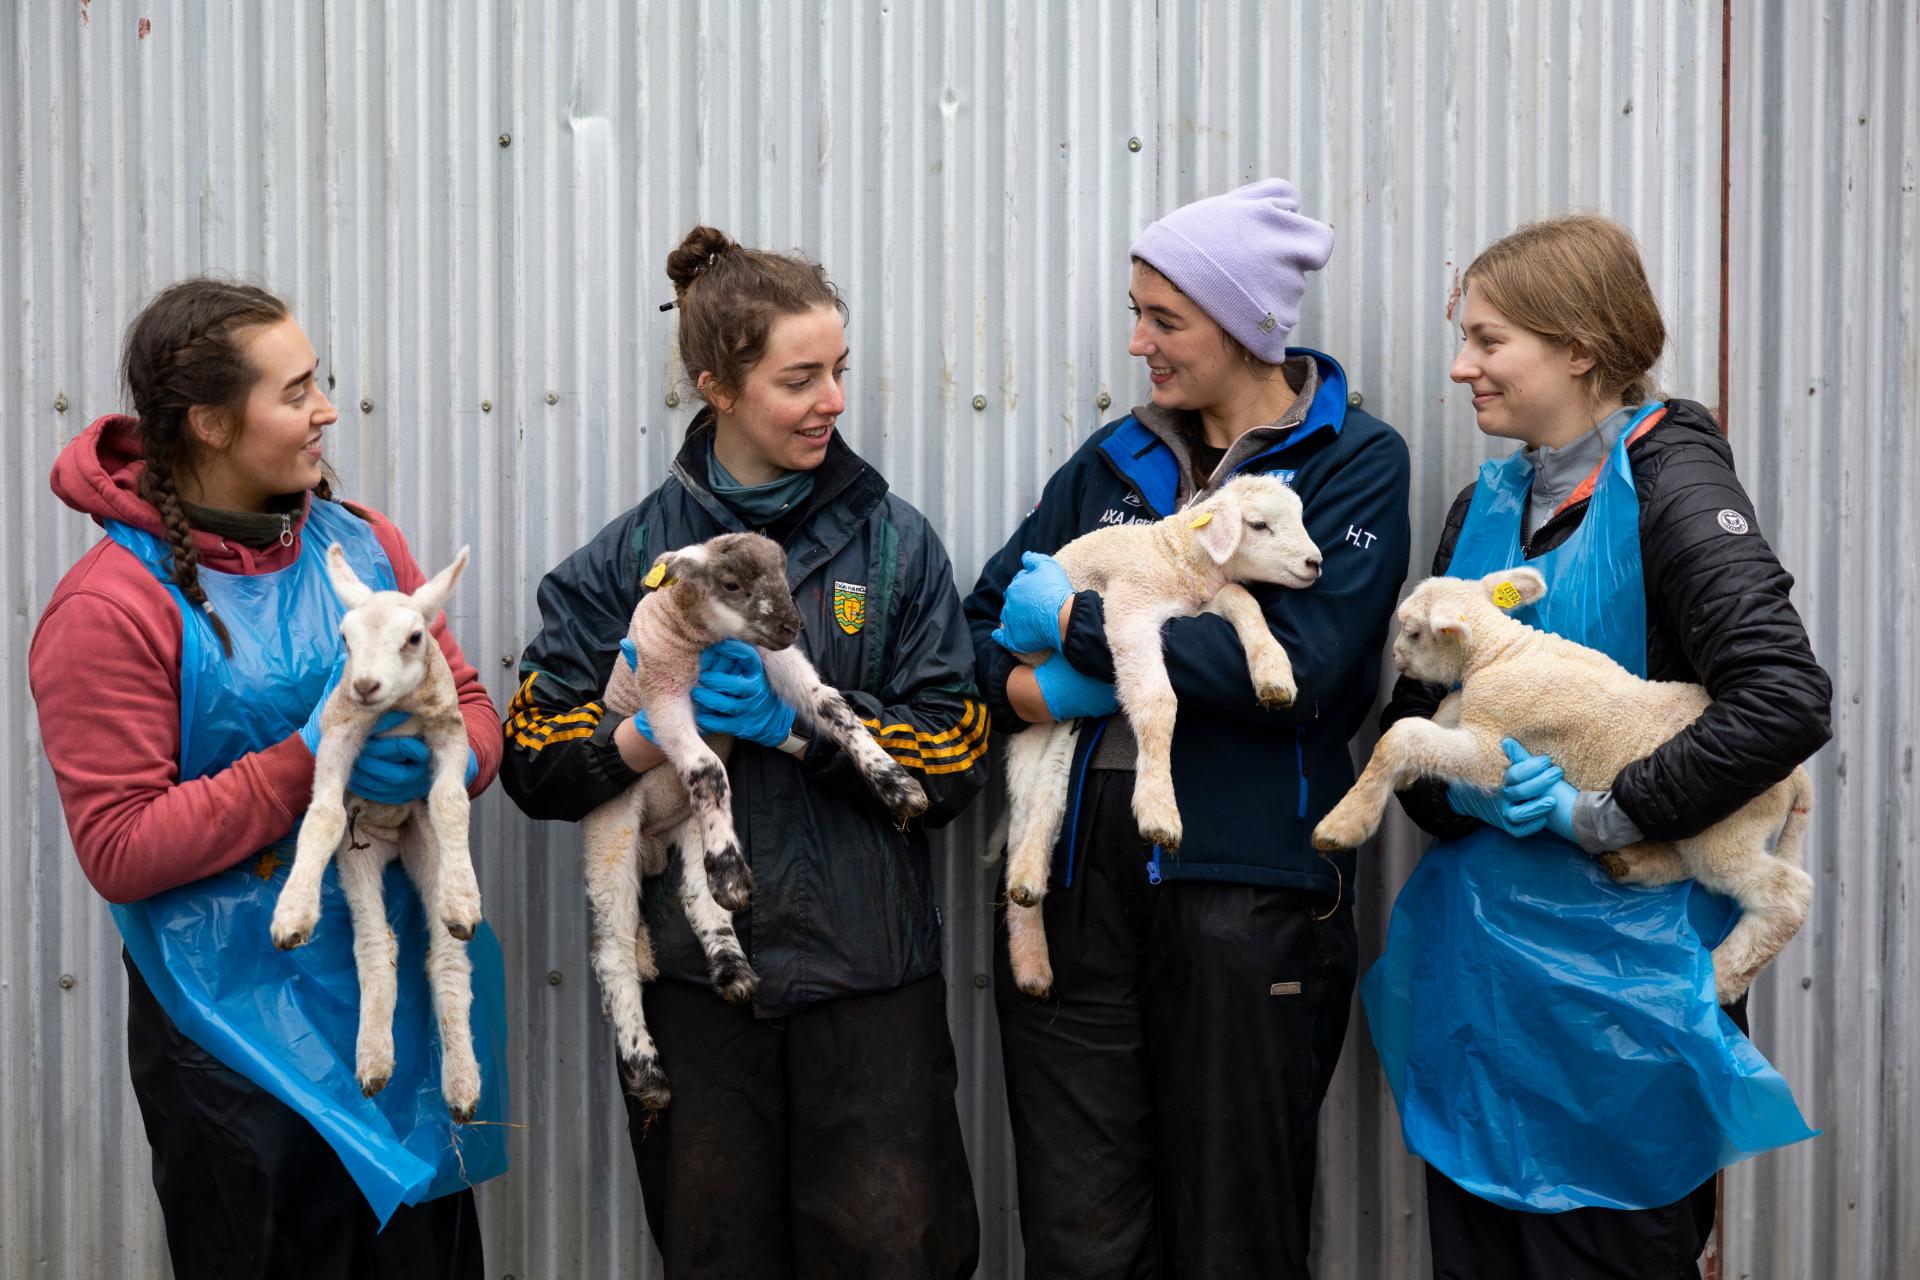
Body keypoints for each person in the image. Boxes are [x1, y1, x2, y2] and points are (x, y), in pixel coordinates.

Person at [501, 226, 986, 1278]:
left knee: (898, 1255)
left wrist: (801, 729)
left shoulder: (897, 544)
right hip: (696, 989)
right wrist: (641, 731)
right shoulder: (629, 560)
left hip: (870, 986)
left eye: (839, 371)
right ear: (717, 387)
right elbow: (532, 755)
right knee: (717, 1255)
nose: (832, 401)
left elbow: (952, 753)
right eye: (798, 380)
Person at [962, 179, 1412, 1277]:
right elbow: (978, 629)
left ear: (1247, 324)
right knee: (1079, 1233)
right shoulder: (1112, 461)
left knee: (1232, 1228)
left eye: (1164, 319)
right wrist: (1030, 696)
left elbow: (1305, 669)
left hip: (1245, 893)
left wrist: (1079, 631)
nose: (1138, 343)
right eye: (1138, 313)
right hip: (1076, 887)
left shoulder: (1353, 461)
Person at [1373, 214, 1831, 1278]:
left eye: (1489, 340)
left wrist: (1600, 814)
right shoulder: (1481, 509)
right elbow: (1412, 728)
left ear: (1579, 347)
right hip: (1484, 1002)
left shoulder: (1673, 486)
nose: (1461, 367)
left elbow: (1782, 699)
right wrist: (1466, 791)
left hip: (1625, 1011)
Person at [29, 278, 506, 1278]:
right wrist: (310, 758)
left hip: (384, 1000)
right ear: (210, 422)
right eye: (296, 392)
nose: (326, 409)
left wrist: (444, 755)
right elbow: (120, 847)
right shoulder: (110, 606)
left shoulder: (360, 543)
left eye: (318, 381)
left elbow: (467, 704)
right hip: (234, 1039)